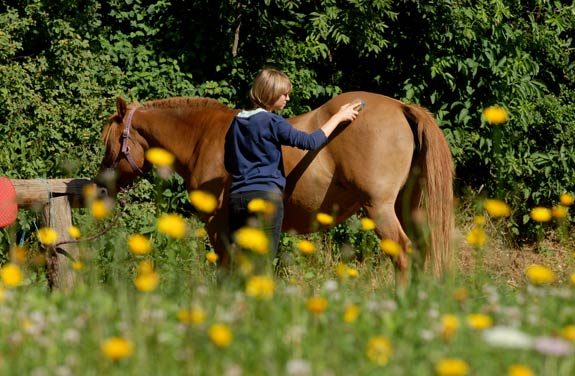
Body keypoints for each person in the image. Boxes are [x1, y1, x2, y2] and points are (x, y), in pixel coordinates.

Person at [224, 68, 360, 260]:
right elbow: (310, 142)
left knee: (239, 261)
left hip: (237, 199)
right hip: (265, 198)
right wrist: (338, 117)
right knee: (262, 263)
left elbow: (230, 164)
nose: (287, 99)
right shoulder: (272, 122)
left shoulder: (236, 122)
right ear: (270, 94)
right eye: (284, 94)